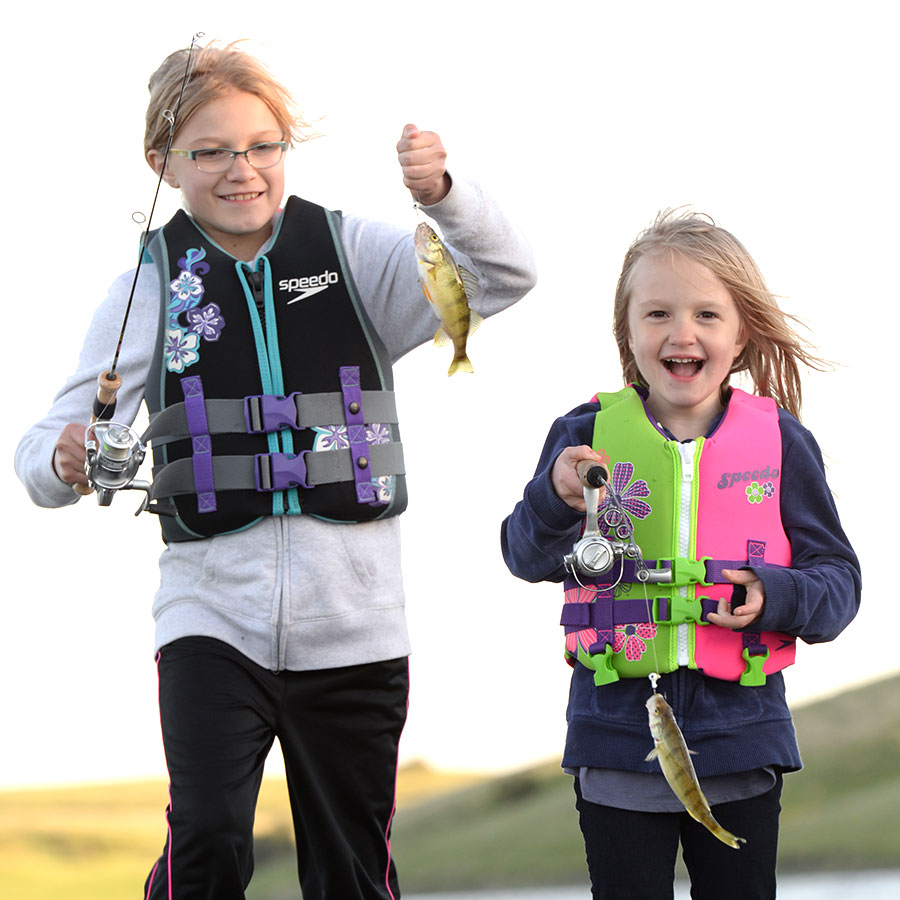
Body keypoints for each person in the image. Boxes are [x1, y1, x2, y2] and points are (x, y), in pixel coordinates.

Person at [16, 41, 536, 900]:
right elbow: (43, 450)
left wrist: (444, 197)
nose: (241, 170)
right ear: (163, 164)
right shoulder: (145, 288)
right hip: (210, 622)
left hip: (359, 628)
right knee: (212, 839)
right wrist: (65, 457)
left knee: (351, 871)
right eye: (211, 151)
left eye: (261, 146)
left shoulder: (357, 252)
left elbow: (507, 275)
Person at [500, 210, 859, 900]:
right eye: (657, 313)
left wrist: (774, 596)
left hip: (742, 744)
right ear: (628, 333)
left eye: (706, 314)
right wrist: (555, 496)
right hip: (614, 741)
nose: (681, 333)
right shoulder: (582, 436)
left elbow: (838, 585)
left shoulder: (782, 443)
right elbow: (524, 554)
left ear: (740, 334)